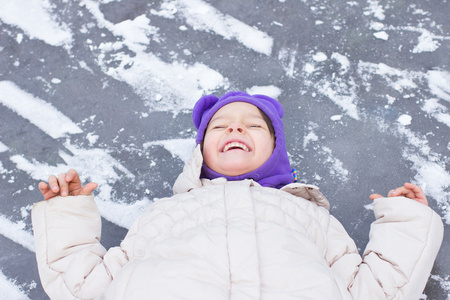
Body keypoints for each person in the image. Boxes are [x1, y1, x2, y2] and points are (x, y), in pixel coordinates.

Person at [32, 91, 443, 299]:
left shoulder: (309, 218)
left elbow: (377, 288)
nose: (234, 129)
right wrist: (68, 213)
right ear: (201, 151)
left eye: (253, 125)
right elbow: (85, 288)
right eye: (220, 126)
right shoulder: (164, 215)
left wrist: (406, 222)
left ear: (275, 150)